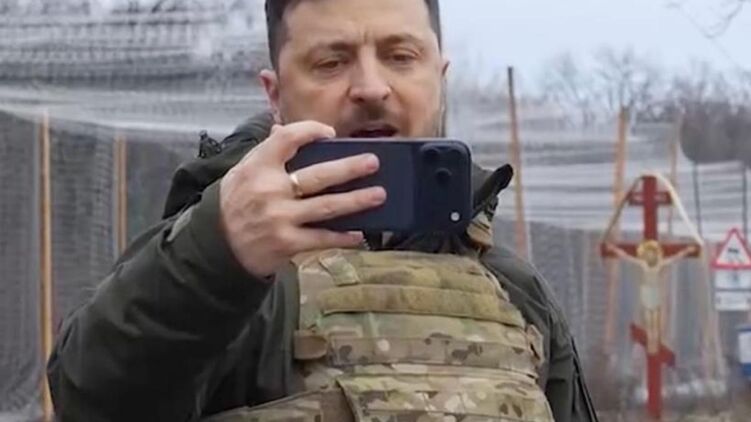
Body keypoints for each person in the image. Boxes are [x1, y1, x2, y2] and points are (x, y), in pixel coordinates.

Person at [47, 0, 598, 420]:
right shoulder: (223, 272)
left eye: (400, 57)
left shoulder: (516, 291)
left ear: (440, 77)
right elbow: (91, 399)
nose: (371, 88)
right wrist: (219, 250)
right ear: (275, 94)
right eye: (331, 62)